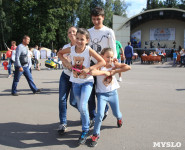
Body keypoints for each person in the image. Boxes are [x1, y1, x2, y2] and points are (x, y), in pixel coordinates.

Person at [58, 28, 105, 145]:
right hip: (75, 82)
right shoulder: (71, 49)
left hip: (87, 82)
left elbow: (102, 62)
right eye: (77, 38)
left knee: (83, 106)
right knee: (78, 105)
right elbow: (59, 53)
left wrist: (90, 68)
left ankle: (84, 130)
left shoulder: (88, 50)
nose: (79, 41)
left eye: (82, 39)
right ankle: (88, 121)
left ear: (87, 40)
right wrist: (66, 62)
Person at [89, 48, 131, 147]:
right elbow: (92, 72)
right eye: (108, 57)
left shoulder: (113, 65)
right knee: (99, 114)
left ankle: (119, 118)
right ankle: (95, 134)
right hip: (101, 95)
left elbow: (128, 67)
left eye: (112, 57)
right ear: (102, 56)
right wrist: (106, 73)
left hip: (113, 93)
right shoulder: (100, 66)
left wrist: (115, 71)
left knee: (116, 113)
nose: (110, 59)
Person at [88, 7, 117, 125]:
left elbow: (113, 49)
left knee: (102, 91)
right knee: (90, 92)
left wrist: (113, 66)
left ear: (103, 18)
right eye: (94, 19)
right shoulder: (88, 31)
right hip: (91, 65)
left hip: (105, 66)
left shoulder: (109, 32)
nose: (96, 21)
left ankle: (104, 110)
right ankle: (92, 116)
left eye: (98, 19)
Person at [57, 26, 78, 135]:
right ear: (68, 35)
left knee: (74, 102)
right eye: (69, 32)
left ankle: (86, 115)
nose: (71, 33)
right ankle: (63, 123)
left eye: (73, 31)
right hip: (65, 75)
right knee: (62, 99)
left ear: (78, 33)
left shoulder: (82, 46)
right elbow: (60, 55)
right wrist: (66, 62)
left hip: (76, 77)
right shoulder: (66, 46)